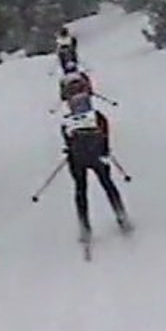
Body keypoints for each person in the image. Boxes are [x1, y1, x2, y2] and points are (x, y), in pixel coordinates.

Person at [60, 92, 130, 242]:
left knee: (81, 191)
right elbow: (105, 137)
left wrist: (70, 152)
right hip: (97, 158)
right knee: (108, 185)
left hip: (77, 161)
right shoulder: (99, 118)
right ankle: (121, 216)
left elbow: (67, 142)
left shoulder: (67, 122)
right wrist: (104, 149)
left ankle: (85, 228)